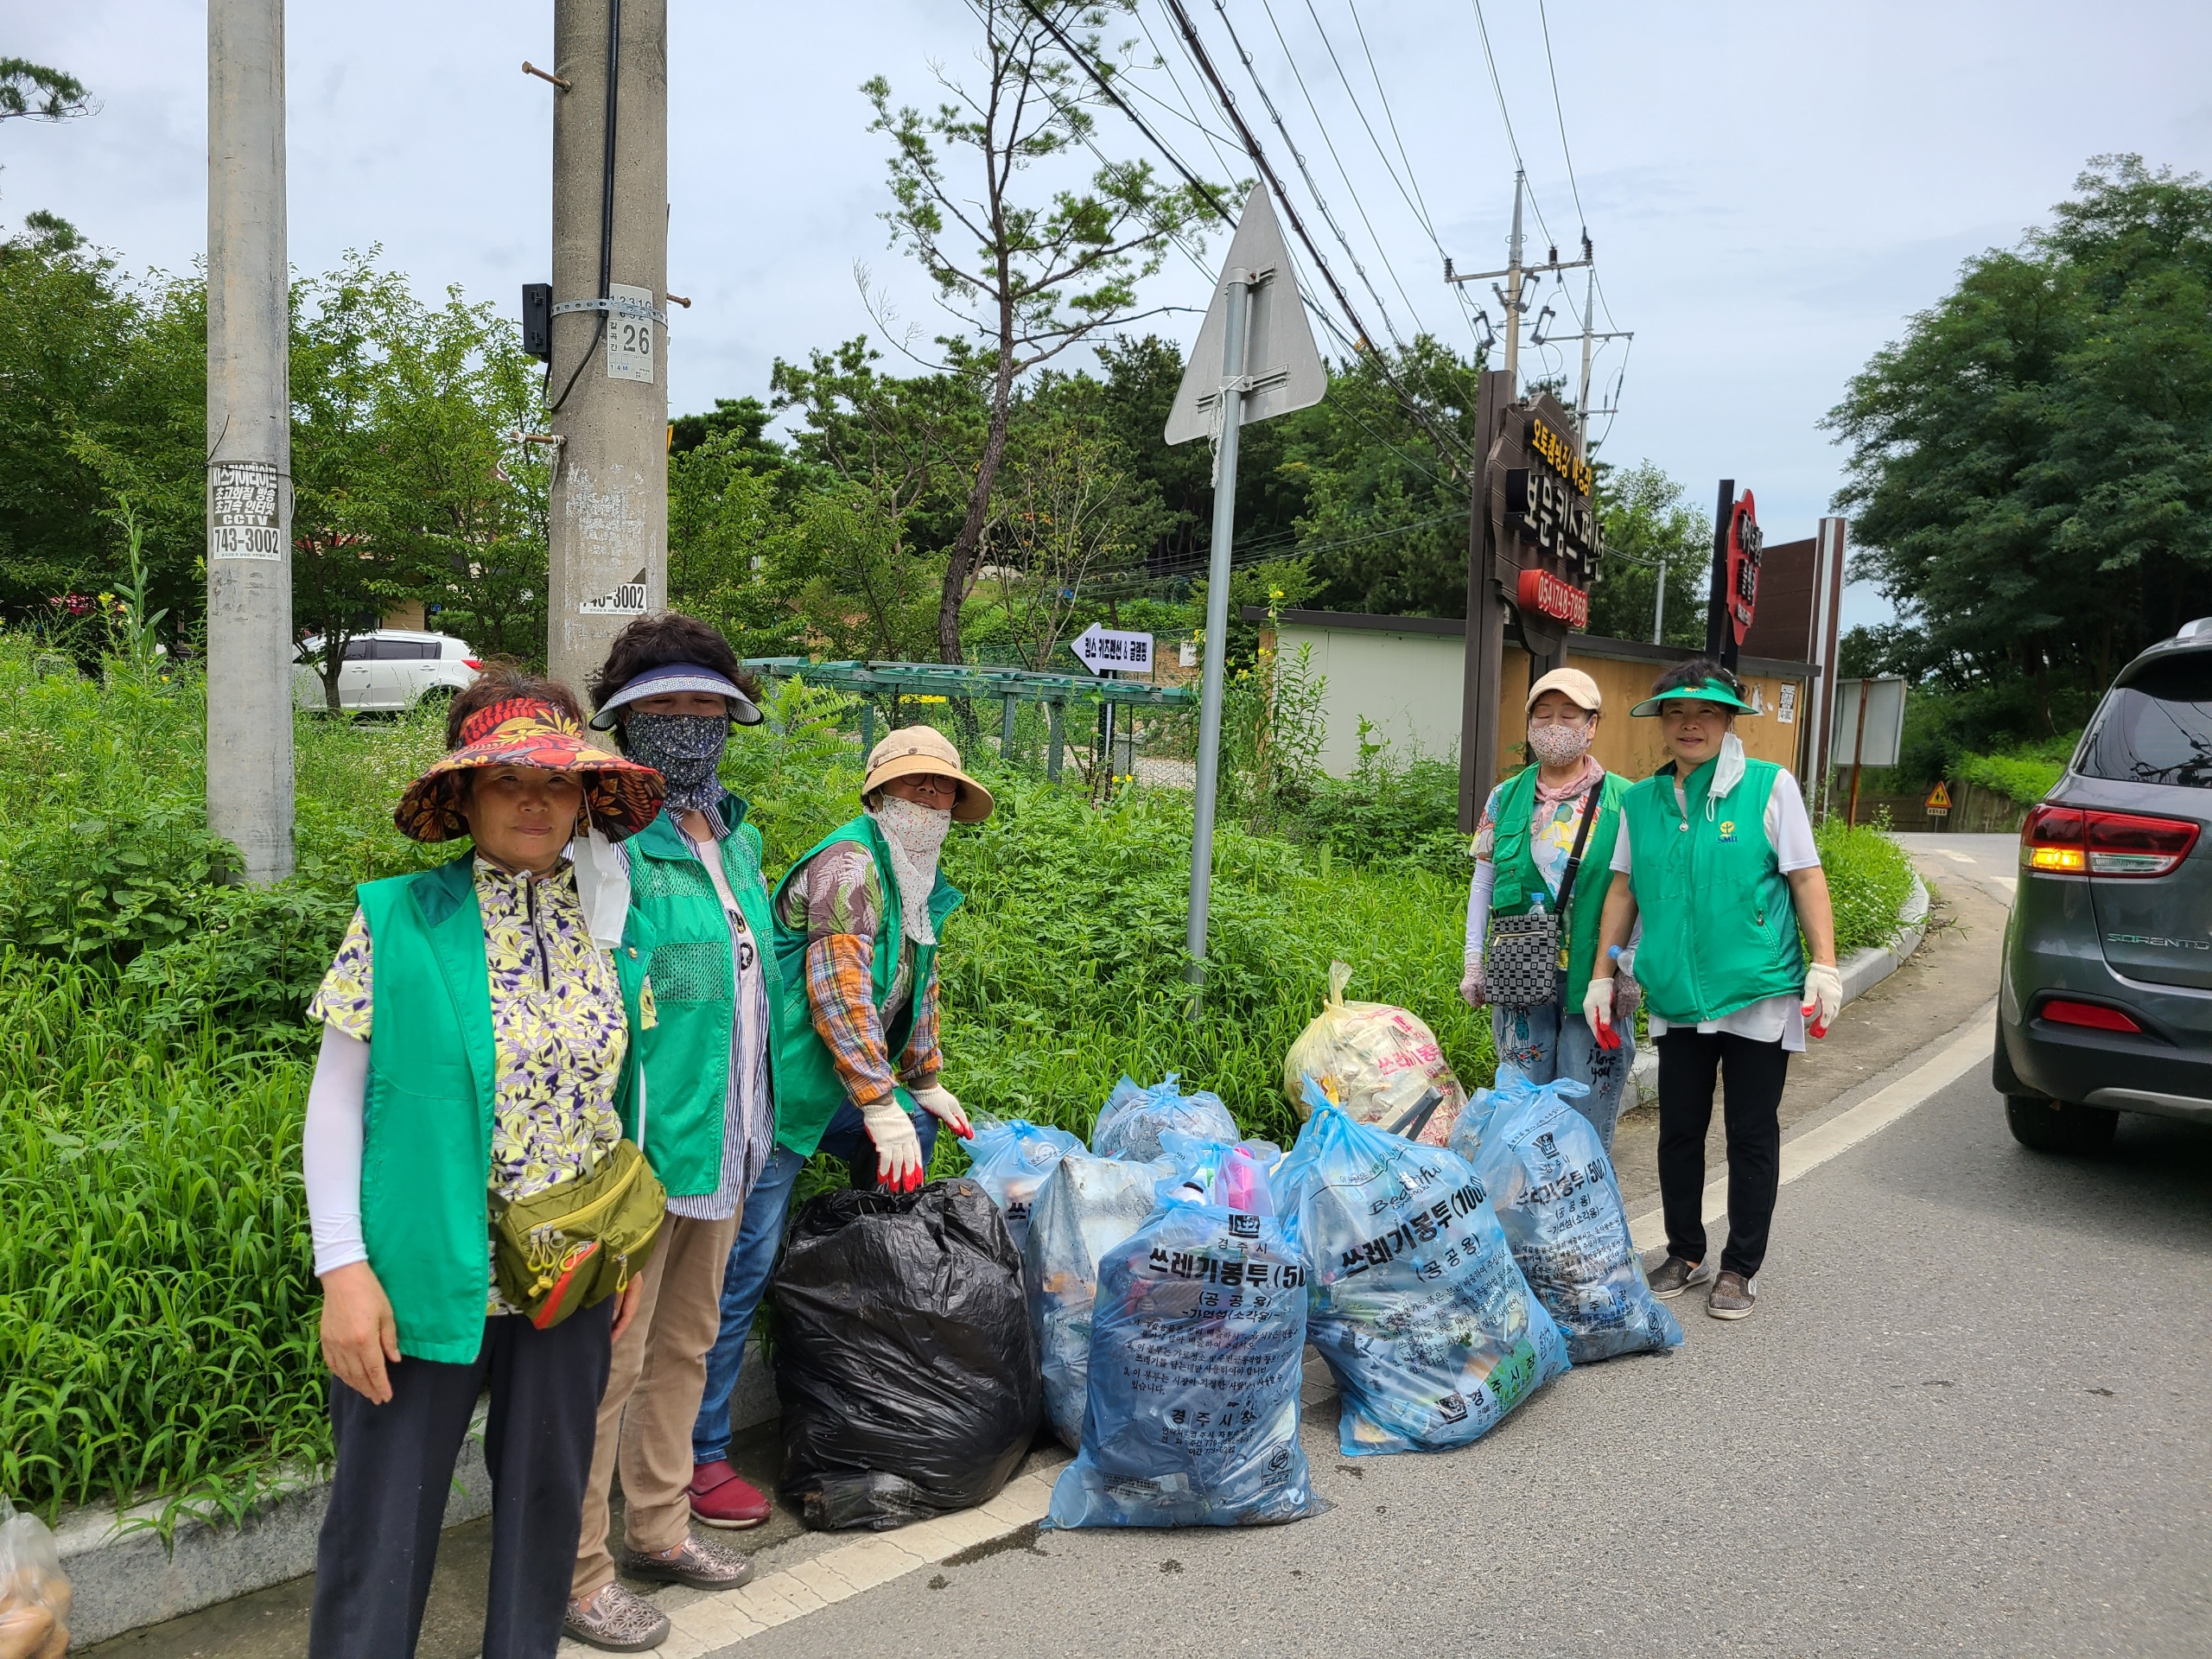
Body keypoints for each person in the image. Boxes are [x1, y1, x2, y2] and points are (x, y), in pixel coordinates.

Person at [302, 670, 666, 1659]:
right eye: (506, 779)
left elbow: (613, 1108)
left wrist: (620, 1255)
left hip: (569, 1279)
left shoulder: (608, 928)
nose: (536, 800)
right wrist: (343, 1268)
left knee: (548, 1511)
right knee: (381, 1529)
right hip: (423, 1275)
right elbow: (335, 1104)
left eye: (558, 781)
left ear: (589, 798)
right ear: (461, 796)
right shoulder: (397, 922)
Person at [683, 726, 988, 1529]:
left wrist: (923, 1083)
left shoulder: (917, 880)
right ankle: (700, 1451)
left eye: (943, 792)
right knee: (742, 1265)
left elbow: (914, 987)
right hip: (783, 1091)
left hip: (844, 1088)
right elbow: (838, 989)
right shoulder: (852, 865)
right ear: (879, 796)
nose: (931, 803)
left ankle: (878, 1370)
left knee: (906, 1188)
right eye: (916, 788)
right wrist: (879, 1102)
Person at [563, 616, 786, 1651]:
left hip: (730, 1141)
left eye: (707, 706)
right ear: (623, 719)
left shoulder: (736, 837)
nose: (688, 725)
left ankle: (657, 1528)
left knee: (686, 1345)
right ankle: (576, 1574)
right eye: (665, 707)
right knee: (606, 1365)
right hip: (636, 1155)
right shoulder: (600, 845)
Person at [1587, 659, 1843, 1322]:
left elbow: (1806, 877)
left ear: (1728, 720)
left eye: (1704, 711)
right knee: (1679, 1130)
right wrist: (1600, 975)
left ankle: (1740, 1266)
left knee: (1751, 1132)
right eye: (1675, 712)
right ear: (1662, 724)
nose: (1689, 723)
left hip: (1757, 990)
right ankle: (1685, 1250)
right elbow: (1623, 889)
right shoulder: (1640, 803)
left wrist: (1826, 963)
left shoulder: (1767, 787)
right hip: (1676, 994)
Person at [1461, 666, 1640, 1153]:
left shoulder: (1628, 800)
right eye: (1542, 715)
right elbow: (1485, 880)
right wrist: (1473, 962)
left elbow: (1640, 889)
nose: (1553, 724)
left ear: (1592, 724)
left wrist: (1629, 967)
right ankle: (1525, 1213)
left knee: (1586, 1105)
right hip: (1520, 969)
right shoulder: (1506, 796)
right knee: (1521, 1108)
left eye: (1568, 714)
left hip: (1596, 970)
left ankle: (1583, 1214)